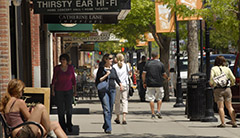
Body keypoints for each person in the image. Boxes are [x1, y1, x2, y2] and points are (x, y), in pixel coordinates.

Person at [0, 79, 67, 138]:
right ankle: (50, 133)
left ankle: (51, 133)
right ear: (18, 90)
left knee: (55, 124)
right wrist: (33, 112)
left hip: (17, 133)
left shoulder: (7, 102)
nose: (22, 93)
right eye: (22, 90)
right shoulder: (19, 102)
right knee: (40, 107)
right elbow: (29, 119)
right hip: (22, 133)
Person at [95, 53, 123, 134]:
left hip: (112, 89)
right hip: (104, 91)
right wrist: (106, 75)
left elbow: (116, 78)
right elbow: (98, 80)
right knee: (106, 109)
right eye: (110, 59)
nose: (111, 60)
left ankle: (106, 124)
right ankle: (108, 128)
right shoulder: (101, 69)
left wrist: (120, 84)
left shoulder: (113, 69)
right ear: (105, 59)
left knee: (110, 109)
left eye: (112, 59)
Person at [209, 55, 237, 128]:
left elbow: (211, 78)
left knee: (221, 107)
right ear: (224, 62)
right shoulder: (227, 69)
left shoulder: (214, 69)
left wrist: (211, 84)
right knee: (229, 106)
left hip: (218, 89)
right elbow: (233, 78)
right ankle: (234, 122)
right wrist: (232, 84)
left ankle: (223, 123)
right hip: (227, 89)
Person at [51, 53, 77, 132]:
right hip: (59, 90)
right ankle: (62, 125)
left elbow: (73, 80)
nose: (63, 61)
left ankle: (69, 124)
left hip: (68, 90)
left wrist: (75, 90)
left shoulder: (70, 68)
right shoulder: (57, 68)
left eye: (64, 60)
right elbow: (54, 79)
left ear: (67, 61)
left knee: (69, 108)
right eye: (61, 60)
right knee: (60, 109)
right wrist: (52, 90)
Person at [142, 52, 170, 119]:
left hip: (150, 83)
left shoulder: (148, 64)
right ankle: (158, 110)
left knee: (151, 98)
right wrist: (167, 78)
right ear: (157, 56)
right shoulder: (160, 64)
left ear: (152, 56)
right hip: (159, 83)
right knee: (159, 98)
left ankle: (152, 113)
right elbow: (163, 74)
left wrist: (144, 82)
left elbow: (143, 74)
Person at [113, 53, 131, 125]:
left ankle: (118, 117)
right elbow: (129, 74)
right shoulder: (126, 66)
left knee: (117, 101)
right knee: (124, 100)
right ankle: (124, 117)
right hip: (125, 85)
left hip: (116, 85)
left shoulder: (114, 66)